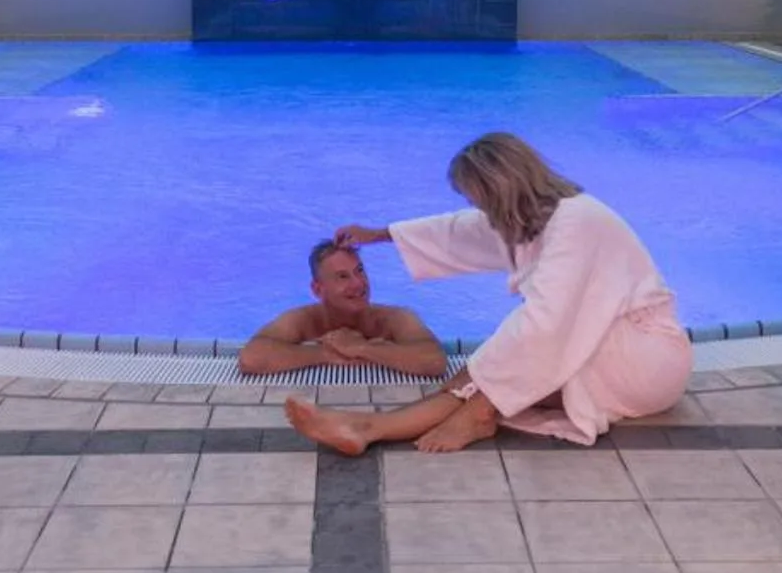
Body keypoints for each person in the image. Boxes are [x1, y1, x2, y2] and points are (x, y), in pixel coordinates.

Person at [284, 132, 691, 455]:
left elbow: (545, 323)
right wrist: (380, 234)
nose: (474, 206)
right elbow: (460, 231)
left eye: (475, 197)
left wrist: (485, 378)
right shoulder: (539, 218)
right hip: (609, 348)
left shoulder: (577, 222)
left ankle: (444, 419)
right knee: (481, 377)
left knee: (486, 375)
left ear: (499, 190)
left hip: (644, 361)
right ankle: (368, 428)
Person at [236, 240, 447, 377]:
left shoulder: (394, 318)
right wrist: (326, 353)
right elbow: (251, 359)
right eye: (343, 276)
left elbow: (435, 362)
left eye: (359, 271)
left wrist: (362, 349)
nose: (358, 283)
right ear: (318, 289)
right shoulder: (302, 320)